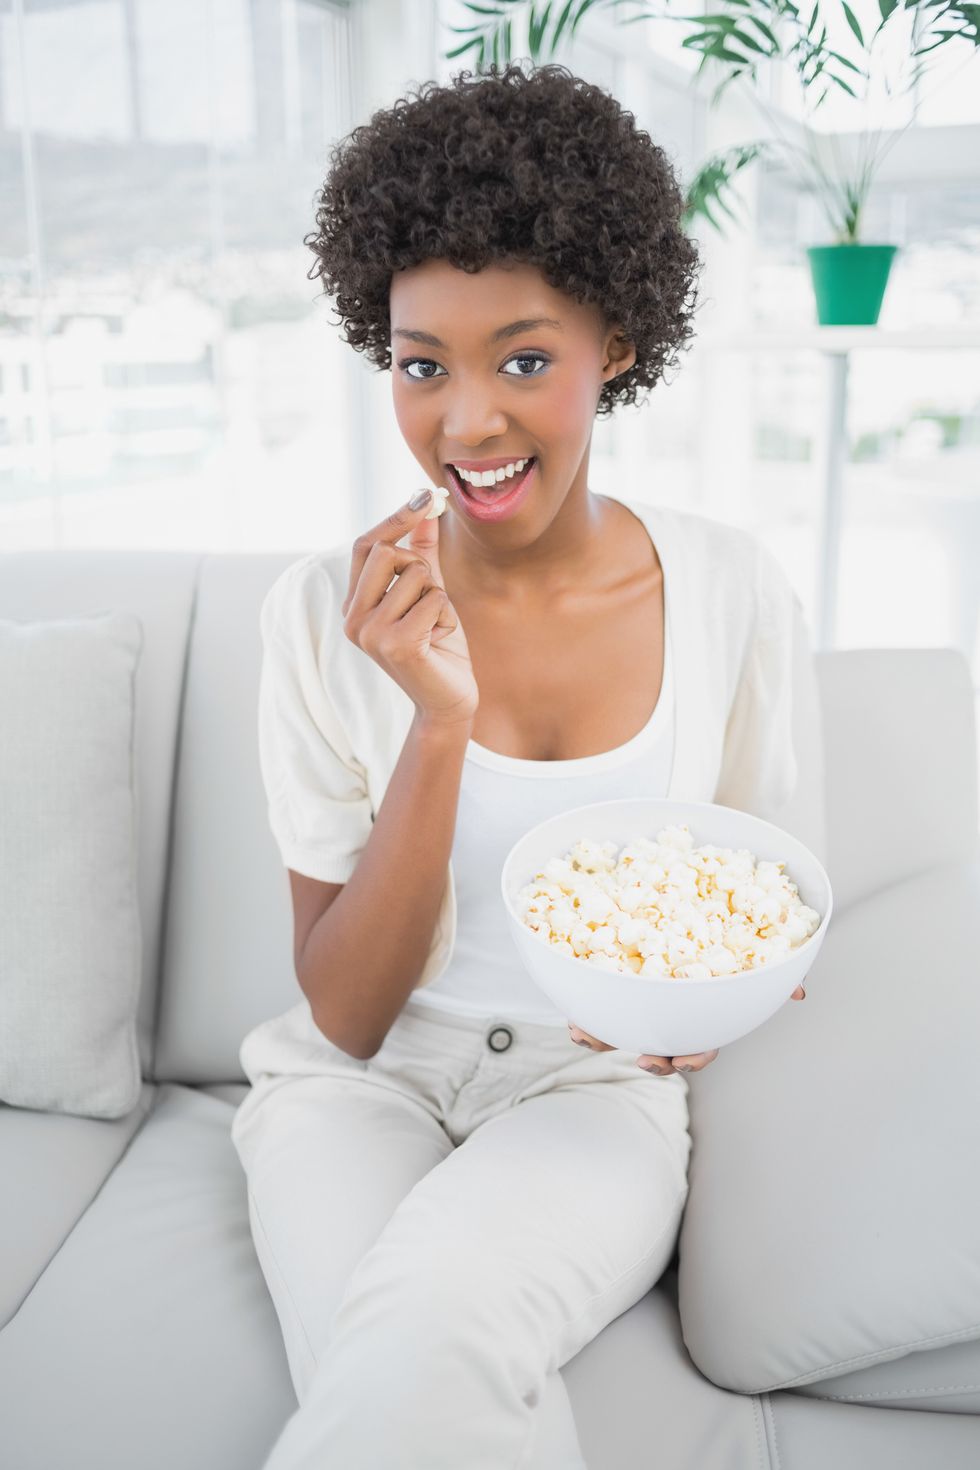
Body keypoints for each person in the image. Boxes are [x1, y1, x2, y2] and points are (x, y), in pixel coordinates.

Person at [231, 62, 814, 1470]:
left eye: (526, 360)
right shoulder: (321, 614)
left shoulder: (730, 591)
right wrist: (438, 721)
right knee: (409, 1378)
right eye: (422, 364)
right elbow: (346, 1013)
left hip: (589, 1091)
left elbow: (768, 906)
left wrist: (709, 1003)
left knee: (424, 1343)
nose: (468, 424)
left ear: (619, 339)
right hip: (356, 1091)